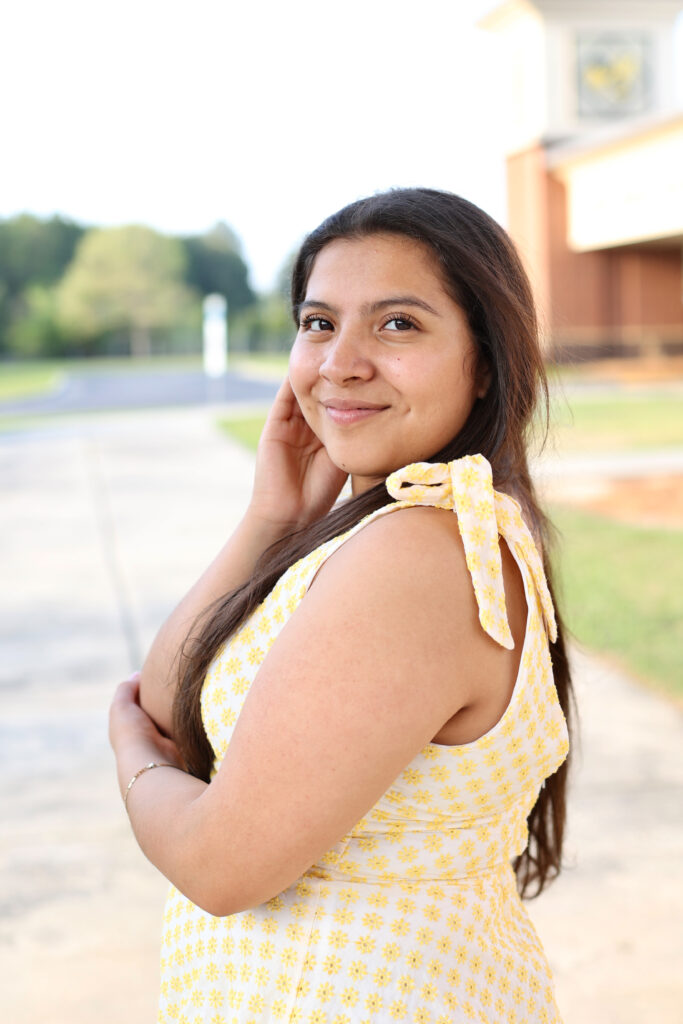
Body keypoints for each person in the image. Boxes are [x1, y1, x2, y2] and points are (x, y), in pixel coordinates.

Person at [109, 187, 573, 1024]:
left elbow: (221, 863)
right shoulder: (399, 531)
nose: (340, 363)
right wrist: (272, 519)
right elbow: (176, 713)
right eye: (319, 323)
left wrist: (130, 757)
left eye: (397, 325)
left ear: (485, 364)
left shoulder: (419, 552)